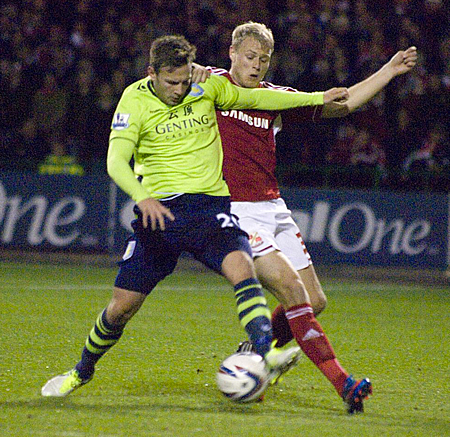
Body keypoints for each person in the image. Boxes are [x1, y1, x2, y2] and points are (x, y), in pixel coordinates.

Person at [41, 35, 348, 398]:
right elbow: (115, 160)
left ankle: (265, 352)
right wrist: (143, 198)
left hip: (208, 209)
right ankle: (81, 370)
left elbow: (258, 97)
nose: (179, 89)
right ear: (151, 73)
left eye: (184, 81)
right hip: (160, 216)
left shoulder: (206, 86)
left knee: (242, 269)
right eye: (171, 82)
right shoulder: (134, 100)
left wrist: (317, 98)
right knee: (120, 309)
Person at [197, 22, 417, 413]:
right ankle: (343, 383)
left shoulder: (276, 99)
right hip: (235, 211)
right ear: (231, 54)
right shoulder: (212, 85)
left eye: (264, 60)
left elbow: (343, 105)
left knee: (315, 300)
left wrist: (388, 70)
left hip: (273, 209)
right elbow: (169, 78)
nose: (257, 66)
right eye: (249, 57)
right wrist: (190, 71)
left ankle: (254, 352)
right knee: (293, 292)